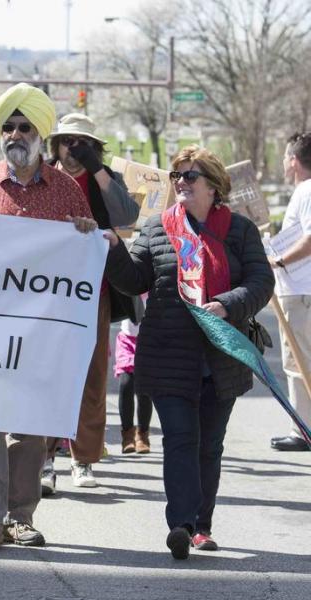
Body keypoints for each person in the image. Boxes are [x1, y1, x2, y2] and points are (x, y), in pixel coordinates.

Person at [103, 145, 274, 559]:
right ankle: (180, 524)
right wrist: (112, 249)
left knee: (208, 445)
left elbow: (260, 281)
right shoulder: (159, 227)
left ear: (214, 186)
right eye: (177, 175)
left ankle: (202, 525)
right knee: (180, 438)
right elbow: (135, 278)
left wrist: (228, 304)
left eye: (190, 176)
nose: (181, 182)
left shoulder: (239, 230)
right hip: (168, 352)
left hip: (221, 356)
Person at [0, 83, 95, 552]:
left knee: (29, 425)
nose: (15, 133)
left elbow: (83, 255)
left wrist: (86, 234)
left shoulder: (67, 190)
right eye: (8, 126)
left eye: (24, 126)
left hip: (41, 331)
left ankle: (20, 517)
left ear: (41, 134)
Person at [46, 113, 140, 489]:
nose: (72, 148)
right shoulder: (42, 177)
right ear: (55, 145)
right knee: (49, 373)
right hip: (48, 292)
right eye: (67, 141)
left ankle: (84, 458)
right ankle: (45, 457)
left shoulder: (105, 180)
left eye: (81, 142)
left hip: (94, 292)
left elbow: (128, 216)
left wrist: (96, 169)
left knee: (92, 376)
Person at [269, 132, 311, 451]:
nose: (283, 162)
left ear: (294, 161)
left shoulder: (307, 190)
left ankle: (303, 430)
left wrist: (279, 261)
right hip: (298, 290)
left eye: (285, 157)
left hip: (300, 291)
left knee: (298, 363)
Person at [115, 311, 153, 454]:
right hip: (127, 339)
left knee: (144, 389)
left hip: (149, 338)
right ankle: (127, 436)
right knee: (126, 383)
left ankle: (142, 436)